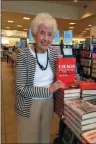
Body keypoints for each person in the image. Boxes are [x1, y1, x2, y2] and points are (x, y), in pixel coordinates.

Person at [15, 13, 65, 143]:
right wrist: (49, 90)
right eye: (42, 33)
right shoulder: (24, 54)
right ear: (35, 34)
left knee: (44, 139)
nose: (45, 38)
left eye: (49, 34)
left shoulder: (54, 54)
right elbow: (21, 88)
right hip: (28, 104)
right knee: (29, 139)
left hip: (48, 103)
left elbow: (58, 76)